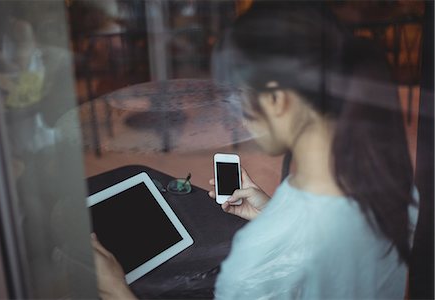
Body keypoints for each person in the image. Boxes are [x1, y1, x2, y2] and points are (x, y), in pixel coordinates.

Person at [92, 2, 418, 299]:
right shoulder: (390, 183)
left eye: (240, 100)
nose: (239, 117)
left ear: (277, 100)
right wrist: (271, 213)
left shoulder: (254, 263)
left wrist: (118, 292)